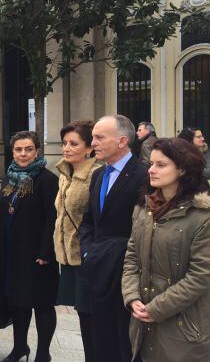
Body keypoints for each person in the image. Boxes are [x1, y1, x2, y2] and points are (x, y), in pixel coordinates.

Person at [122, 138, 210, 362]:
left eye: (161, 165)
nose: (151, 170)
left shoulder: (202, 216)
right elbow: (132, 257)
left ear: (182, 169)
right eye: (151, 163)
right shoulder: (145, 208)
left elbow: (201, 275)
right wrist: (132, 297)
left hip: (184, 328)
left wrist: (157, 308)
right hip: (143, 323)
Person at [79, 115, 148, 362]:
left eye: (99, 137)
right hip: (98, 268)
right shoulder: (99, 175)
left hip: (125, 273)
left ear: (121, 141)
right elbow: (88, 220)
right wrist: (88, 251)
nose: (93, 142)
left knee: (123, 341)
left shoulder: (143, 176)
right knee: (100, 338)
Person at [0, 131, 59, 362]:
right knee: (18, 303)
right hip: (12, 251)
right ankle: (19, 347)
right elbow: (3, 213)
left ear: (37, 150)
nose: (23, 154)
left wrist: (46, 251)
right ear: (12, 152)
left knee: (42, 305)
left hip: (37, 254)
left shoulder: (47, 180)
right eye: (18, 149)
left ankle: (43, 354)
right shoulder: (9, 177)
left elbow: (53, 218)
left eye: (28, 149)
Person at [54, 120, 100, 362]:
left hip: (87, 257)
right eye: (64, 143)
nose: (67, 148)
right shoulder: (65, 174)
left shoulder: (95, 175)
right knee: (83, 314)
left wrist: (88, 252)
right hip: (68, 257)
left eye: (74, 143)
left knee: (92, 315)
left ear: (89, 148)